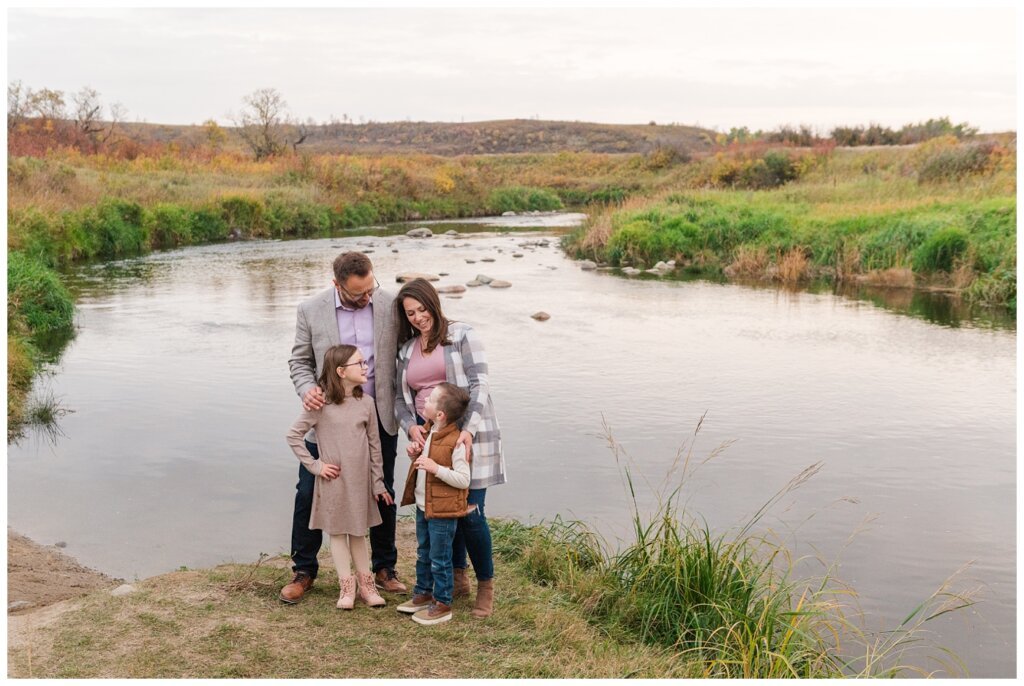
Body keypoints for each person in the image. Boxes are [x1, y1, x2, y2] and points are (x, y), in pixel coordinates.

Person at [282, 251, 406, 604]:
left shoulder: (389, 304)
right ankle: (303, 570)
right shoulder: (311, 309)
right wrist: (308, 391)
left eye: (371, 288)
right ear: (337, 285)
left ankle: (384, 568)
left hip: (377, 414)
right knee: (309, 491)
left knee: (383, 491)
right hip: (329, 420)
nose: (368, 297)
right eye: (358, 293)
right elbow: (299, 361)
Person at [394, 278, 507, 618]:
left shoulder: (461, 335)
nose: (417, 317)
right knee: (442, 511)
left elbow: (480, 383)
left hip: (467, 436)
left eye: (422, 309)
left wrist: (468, 431)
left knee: (471, 513)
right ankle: (457, 579)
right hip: (431, 440)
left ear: (434, 303)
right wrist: (411, 428)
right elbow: (401, 400)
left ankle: (485, 585)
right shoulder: (406, 349)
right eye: (410, 313)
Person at [286, 345, 393, 609]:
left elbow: (375, 446)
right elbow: (293, 436)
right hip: (333, 481)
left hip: (360, 482)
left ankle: (367, 586)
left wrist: (377, 481)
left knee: (358, 532)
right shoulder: (321, 404)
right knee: (336, 533)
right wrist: (316, 466)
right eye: (360, 363)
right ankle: (346, 587)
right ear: (341, 371)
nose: (366, 367)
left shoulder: (366, 403)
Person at [396, 382, 472, 625]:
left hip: (443, 511)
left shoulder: (455, 442)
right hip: (424, 506)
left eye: (429, 400)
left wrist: (435, 468)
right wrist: (414, 455)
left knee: (440, 557)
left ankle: (443, 603)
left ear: (440, 414)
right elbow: (424, 463)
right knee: (424, 553)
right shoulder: (429, 431)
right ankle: (423, 592)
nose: (424, 401)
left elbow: (463, 479)